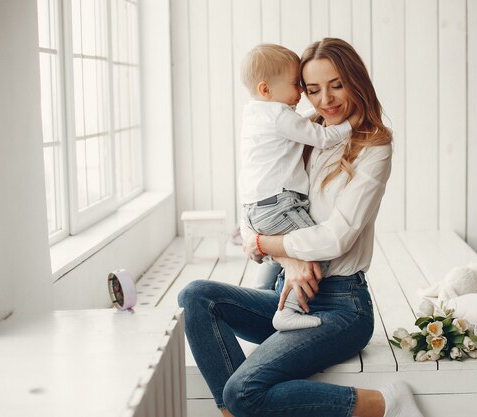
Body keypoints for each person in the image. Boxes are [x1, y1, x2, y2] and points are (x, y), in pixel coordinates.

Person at [178, 38, 424, 417]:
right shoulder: (298, 132)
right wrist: (279, 253)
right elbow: (254, 204)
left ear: (356, 81)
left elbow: (337, 237)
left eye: (337, 84)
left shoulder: (375, 146)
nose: (326, 99)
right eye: (313, 89)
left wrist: (267, 244)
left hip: (341, 308)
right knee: (196, 296)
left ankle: (387, 402)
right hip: (286, 296)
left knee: (243, 391)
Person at [239, 43, 356, 331]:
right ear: (266, 90)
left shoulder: (255, 114)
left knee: (297, 252)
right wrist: (352, 124)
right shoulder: (279, 116)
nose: (302, 93)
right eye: (296, 85)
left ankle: (266, 297)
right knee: (319, 252)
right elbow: (323, 137)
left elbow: (296, 125)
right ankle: (287, 310)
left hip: (255, 209)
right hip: (279, 204)